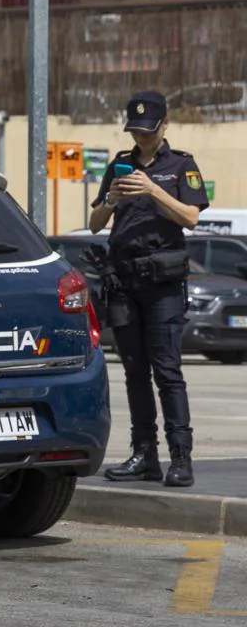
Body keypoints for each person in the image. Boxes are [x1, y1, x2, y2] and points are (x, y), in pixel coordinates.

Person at [88, 90, 208, 488]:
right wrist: (110, 198)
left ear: (164, 125)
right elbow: (93, 223)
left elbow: (191, 217)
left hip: (163, 285)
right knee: (134, 372)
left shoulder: (181, 166)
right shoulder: (120, 164)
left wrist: (154, 190)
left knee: (167, 372)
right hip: (124, 281)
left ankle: (181, 457)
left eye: (147, 130)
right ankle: (144, 454)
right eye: (135, 131)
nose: (140, 137)